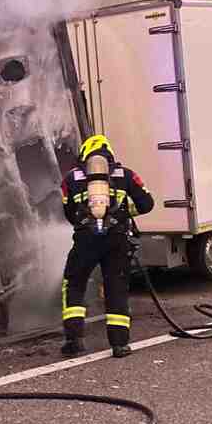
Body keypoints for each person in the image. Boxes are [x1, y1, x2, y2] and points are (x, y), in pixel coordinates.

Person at [60, 134, 154, 358]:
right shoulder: (126, 175)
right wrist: (121, 214)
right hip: (117, 240)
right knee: (116, 288)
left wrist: (87, 222)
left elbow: (69, 213)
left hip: (85, 240)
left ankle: (74, 340)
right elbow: (147, 204)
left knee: (74, 284)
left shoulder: (70, 178)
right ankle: (119, 344)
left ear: (84, 154)